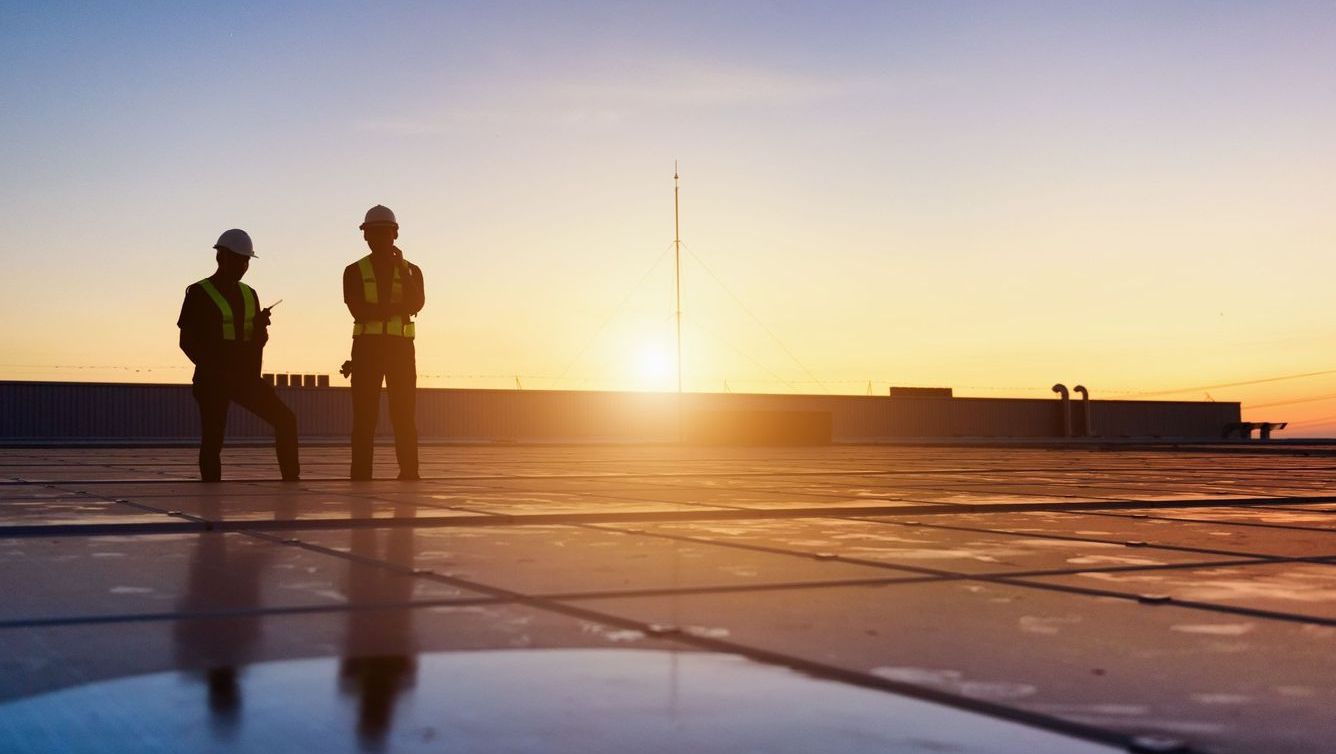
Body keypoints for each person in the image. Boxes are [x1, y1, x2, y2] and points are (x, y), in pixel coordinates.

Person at [178, 229, 300, 482]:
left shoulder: (249, 294)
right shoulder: (199, 292)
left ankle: (292, 481)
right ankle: (210, 494)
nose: (243, 266)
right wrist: (214, 368)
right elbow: (187, 342)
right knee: (213, 436)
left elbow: (256, 343)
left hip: (244, 377)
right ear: (220, 257)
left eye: (246, 261)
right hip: (213, 379)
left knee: (286, 420)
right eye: (238, 259)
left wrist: (260, 329)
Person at [344, 205, 424, 480]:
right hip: (368, 351)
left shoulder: (411, 270)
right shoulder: (354, 271)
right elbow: (359, 311)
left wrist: (401, 270)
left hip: (400, 352)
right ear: (366, 236)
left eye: (385, 233)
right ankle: (361, 475)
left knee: (404, 414)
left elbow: (417, 304)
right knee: (365, 417)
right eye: (374, 233)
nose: (379, 238)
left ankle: (410, 473)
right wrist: (396, 308)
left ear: (395, 235)